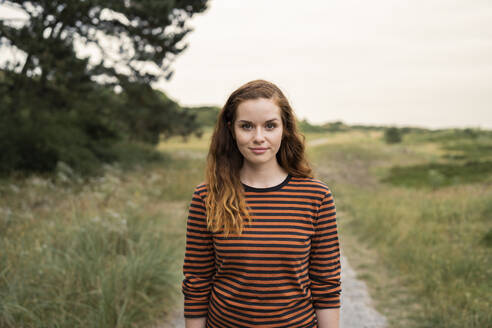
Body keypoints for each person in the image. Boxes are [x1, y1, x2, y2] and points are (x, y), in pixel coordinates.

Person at [182, 79, 341, 328]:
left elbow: (326, 286)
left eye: (270, 126)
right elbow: (197, 282)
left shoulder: (316, 196)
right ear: (231, 130)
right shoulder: (207, 197)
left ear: (284, 129)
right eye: (246, 126)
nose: (259, 137)